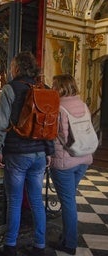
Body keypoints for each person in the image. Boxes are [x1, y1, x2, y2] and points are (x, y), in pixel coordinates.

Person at [0, 51, 54, 256]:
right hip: (39, 152)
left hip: (17, 153)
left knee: (15, 200)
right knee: (37, 200)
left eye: (12, 66)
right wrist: (49, 151)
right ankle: (39, 245)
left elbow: (1, 123)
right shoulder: (44, 89)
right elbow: (50, 123)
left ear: (16, 68)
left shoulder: (10, 89)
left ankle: (10, 246)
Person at [49, 74, 93, 255]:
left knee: (68, 203)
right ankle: (67, 236)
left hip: (65, 162)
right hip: (83, 159)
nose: (52, 88)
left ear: (60, 87)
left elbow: (59, 137)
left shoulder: (58, 108)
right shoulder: (83, 104)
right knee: (70, 200)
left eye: (54, 85)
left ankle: (69, 244)